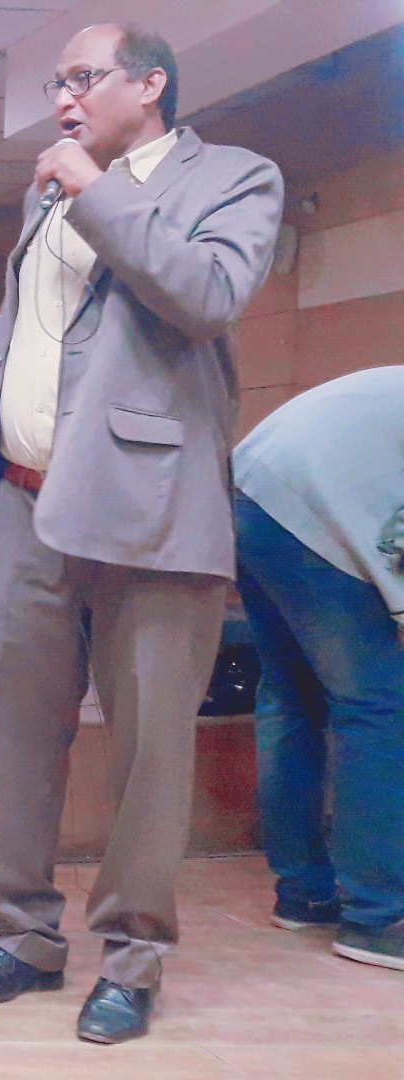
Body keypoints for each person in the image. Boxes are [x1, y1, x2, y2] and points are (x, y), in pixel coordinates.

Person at [0, 23, 284, 1044]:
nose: (62, 99)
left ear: (151, 82)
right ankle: (23, 938)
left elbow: (206, 296)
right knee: (21, 741)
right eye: (56, 81)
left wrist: (97, 190)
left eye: (83, 78)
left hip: (152, 509)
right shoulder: (47, 192)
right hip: (26, 501)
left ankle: (132, 959)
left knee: (148, 754)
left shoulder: (234, 177)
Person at [232, 366, 404, 972]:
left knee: (292, 699)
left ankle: (304, 893)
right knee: (377, 707)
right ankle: (378, 917)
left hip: (248, 492)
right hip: (311, 508)